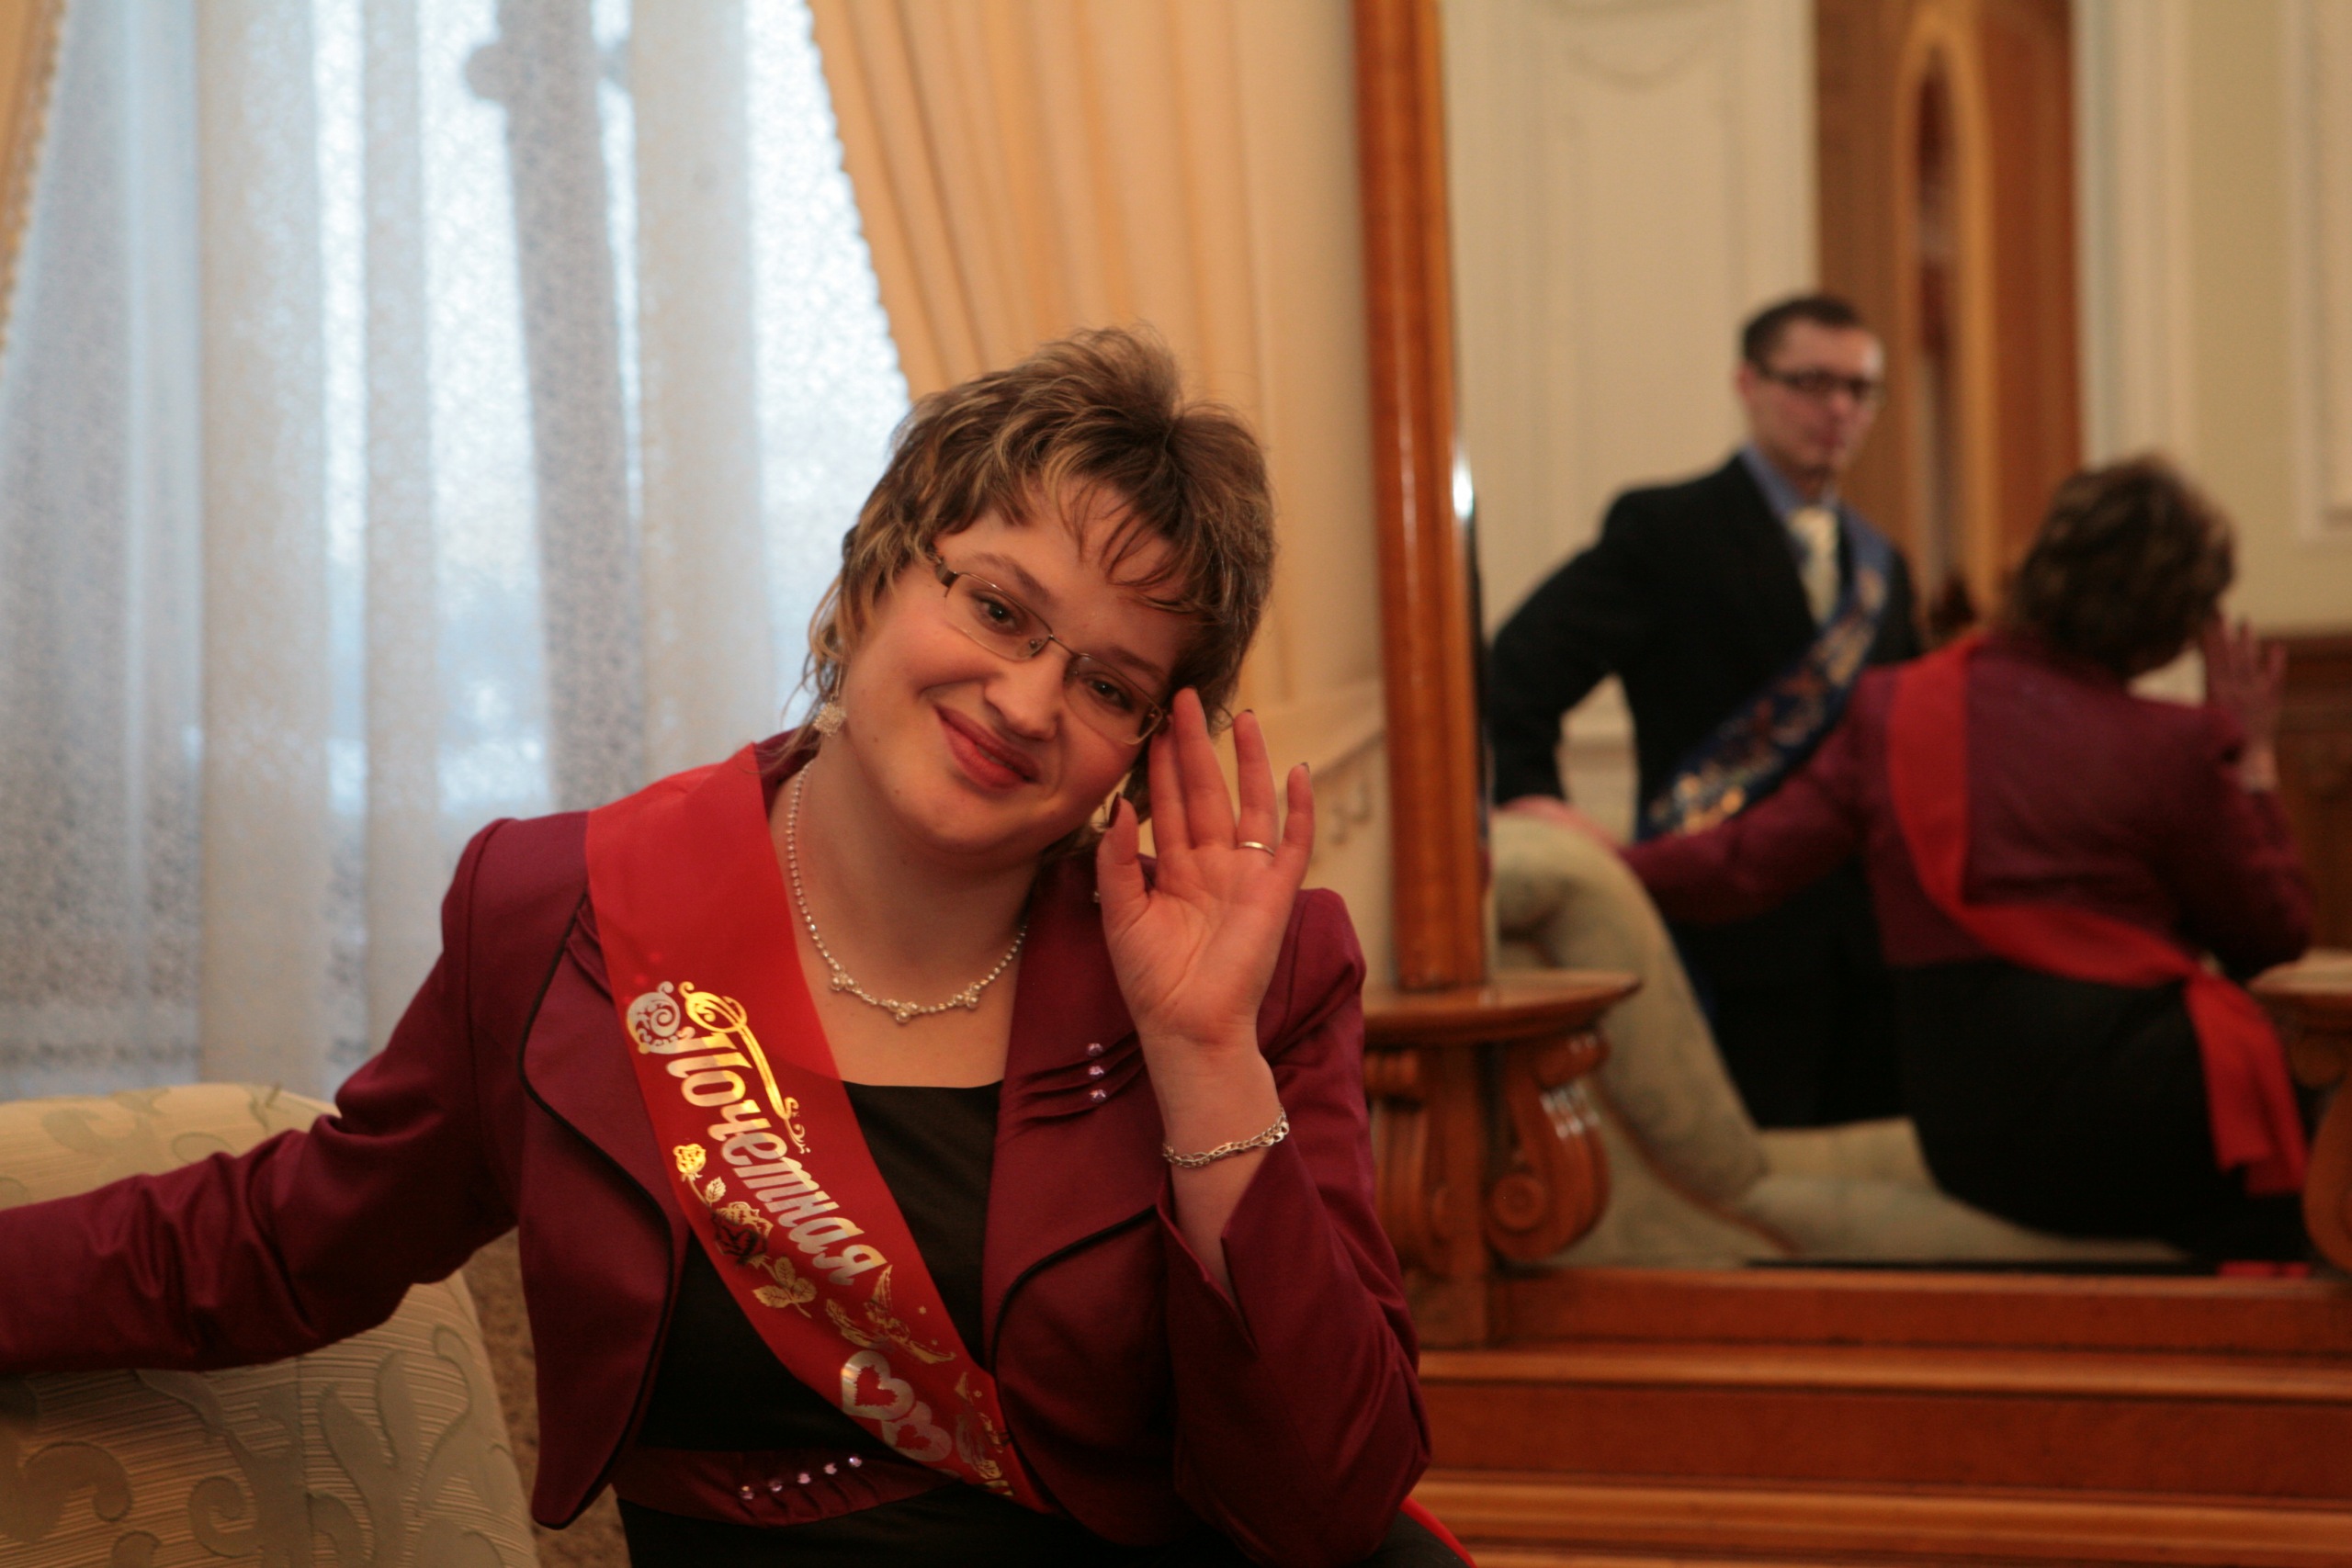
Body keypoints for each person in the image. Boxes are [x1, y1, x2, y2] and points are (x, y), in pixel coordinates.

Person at [0, 330, 1460, 1567]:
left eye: (1107, 683)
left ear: (1148, 744)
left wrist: (1201, 1053)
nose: (1025, 701)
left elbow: (1329, 1501)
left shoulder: (1253, 977)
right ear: (878, 571)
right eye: (998, 606)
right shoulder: (566, 913)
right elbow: (285, 1240)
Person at [1619, 457, 2312, 1259]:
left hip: (1969, 1133)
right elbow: (2274, 937)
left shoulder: (1895, 707)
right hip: (2134, 1118)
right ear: (2170, 623)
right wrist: (2254, 761)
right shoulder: (2176, 746)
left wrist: (1610, 859)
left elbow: (1743, 866)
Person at [1486, 293, 1922, 1129]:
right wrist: (1539, 806)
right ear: (1748, 384)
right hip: (1727, 933)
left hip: (1866, 943)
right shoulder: (1666, 530)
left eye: (1859, 389)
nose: (1838, 409)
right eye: (1811, 382)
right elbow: (1514, 674)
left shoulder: (1883, 566)